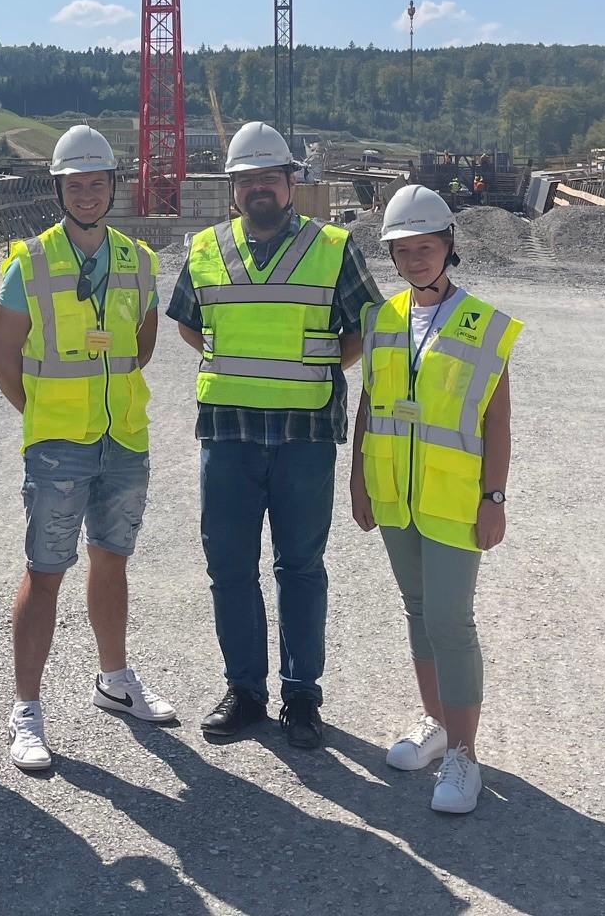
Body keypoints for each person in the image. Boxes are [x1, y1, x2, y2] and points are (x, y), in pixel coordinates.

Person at [167, 121, 379, 750]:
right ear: (233, 188)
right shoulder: (205, 248)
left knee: (300, 567)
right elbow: (188, 324)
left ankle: (302, 695)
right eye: (247, 179)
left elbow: (362, 329)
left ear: (291, 182)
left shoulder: (334, 247)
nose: (259, 188)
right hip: (227, 434)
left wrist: (317, 367)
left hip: (303, 434)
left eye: (270, 177)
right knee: (230, 567)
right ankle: (245, 691)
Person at [0, 125, 175, 771]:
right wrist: (44, 413)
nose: (87, 195)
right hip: (58, 447)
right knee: (45, 572)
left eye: (97, 183)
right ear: (59, 189)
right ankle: (26, 711)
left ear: (113, 186)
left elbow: (142, 345)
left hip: (123, 440)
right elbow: (3, 357)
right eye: (76, 185)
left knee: (112, 561)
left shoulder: (138, 261)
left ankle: (114, 681)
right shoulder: (30, 263)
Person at [351, 184, 522, 815]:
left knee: (451, 620)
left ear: (449, 246)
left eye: (425, 247)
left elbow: (497, 420)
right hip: (395, 493)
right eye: (403, 250)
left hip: (455, 498)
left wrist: (494, 496)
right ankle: (437, 726)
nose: (415, 259)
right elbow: (370, 403)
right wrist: (359, 479)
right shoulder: (382, 320)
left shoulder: (483, 324)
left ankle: (465, 756)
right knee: (419, 612)